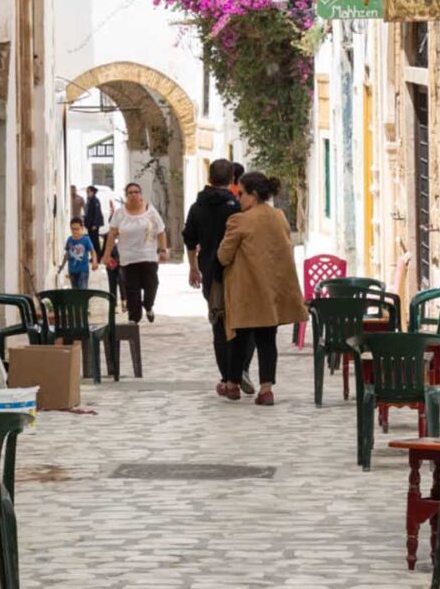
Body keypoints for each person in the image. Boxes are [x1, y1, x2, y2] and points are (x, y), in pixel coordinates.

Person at [215, 173, 309, 406]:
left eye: (242, 194)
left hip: (246, 290)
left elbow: (224, 255)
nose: (238, 200)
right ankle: (266, 390)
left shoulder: (239, 220)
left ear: (254, 195)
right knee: (268, 340)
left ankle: (232, 385)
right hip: (271, 290)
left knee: (238, 338)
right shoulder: (279, 216)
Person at [184, 158, 252, 397]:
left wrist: (193, 267)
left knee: (219, 326)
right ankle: (241, 370)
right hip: (239, 273)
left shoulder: (197, 207)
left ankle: (226, 379)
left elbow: (190, 240)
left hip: (212, 274)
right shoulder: (237, 207)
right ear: (233, 179)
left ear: (209, 178)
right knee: (245, 324)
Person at [101, 182, 168, 323]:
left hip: (148, 257)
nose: (133, 195)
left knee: (152, 285)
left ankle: (148, 306)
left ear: (140, 194)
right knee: (132, 291)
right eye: (130, 192)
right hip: (128, 258)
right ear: (126, 195)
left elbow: (161, 231)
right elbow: (112, 234)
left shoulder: (150, 211)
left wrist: (163, 250)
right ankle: (133, 318)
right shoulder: (120, 213)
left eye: (136, 192)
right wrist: (106, 255)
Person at [63, 218, 98, 289]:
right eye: (73, 229)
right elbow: (67, 253)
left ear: (82, 228)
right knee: (75, 290)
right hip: (72, 270)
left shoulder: (86, 240)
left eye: (77, 229)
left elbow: (93, 251)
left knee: (83, 290)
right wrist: (62, 265)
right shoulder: (69, 240)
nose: (75, 231)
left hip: (83, 270)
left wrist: (94, 262)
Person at [82, 185, 105, 254]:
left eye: (88, 191)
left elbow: (97, 213)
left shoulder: (95, 200)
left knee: (95, 240)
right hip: (90, 224)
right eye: (87, 191)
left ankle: (97, 255)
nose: (87, 192)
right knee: (91, 240)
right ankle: (94, 255)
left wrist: (95, 224)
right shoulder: (89, 200)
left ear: (92, 192)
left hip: (94, 225)